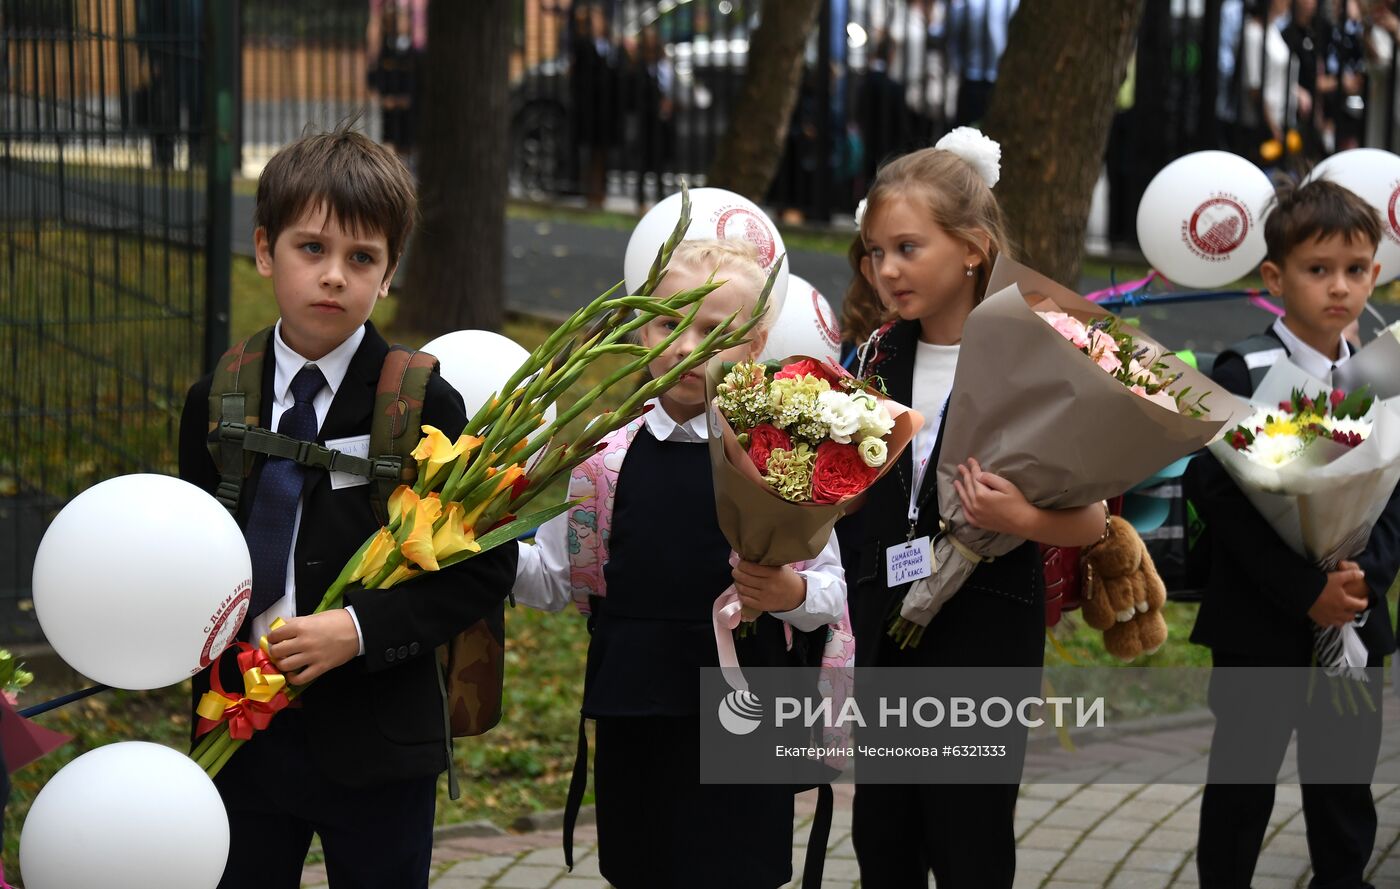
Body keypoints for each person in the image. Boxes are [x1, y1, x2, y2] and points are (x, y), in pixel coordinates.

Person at [177, 125, 518, 889]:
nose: (333, 275)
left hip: (379, 741)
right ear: (265, 250)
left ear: (388, 272)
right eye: (312, 248)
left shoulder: (424, 402)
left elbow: (486, 565)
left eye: (362, 258)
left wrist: (358, 629)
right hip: (242, 728)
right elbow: (190, 554)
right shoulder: (215, 400)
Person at [512, 239, 847, 889]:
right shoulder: (603, 456)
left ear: (754, 345)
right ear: (643, 329)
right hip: (635, 704)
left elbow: (829, 592)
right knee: (642, 868)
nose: (687, 347)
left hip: (748, 706)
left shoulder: (778, 457)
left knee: (738, 873)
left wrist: (787, 592)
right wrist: (480, 547)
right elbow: (556, 576)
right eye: (670, 324)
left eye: (714, 331)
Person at [848, 135, 1108, 888]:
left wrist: (1022, 518)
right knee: (884, 835)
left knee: (969, 838)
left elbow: (1092, 520)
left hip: (984, 625)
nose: (887, 270)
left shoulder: (1030, 355)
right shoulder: (875, 356)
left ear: (972, 249)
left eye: (907, 248)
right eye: (875, 252)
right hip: (884, 616)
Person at [1188, 178, 1400, 889]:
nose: (1339, 286)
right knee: (1242, 781)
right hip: (1262, 622)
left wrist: (1367, 575)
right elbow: (1218, 491)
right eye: (1318, 269)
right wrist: (1305, 590)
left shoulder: (1383, 374)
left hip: (1353, 617)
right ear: (1275, 278)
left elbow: (1394, 489)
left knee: (1344, 781)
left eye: (1356, 269)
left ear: (1375, 273)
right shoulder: (1245, 369)